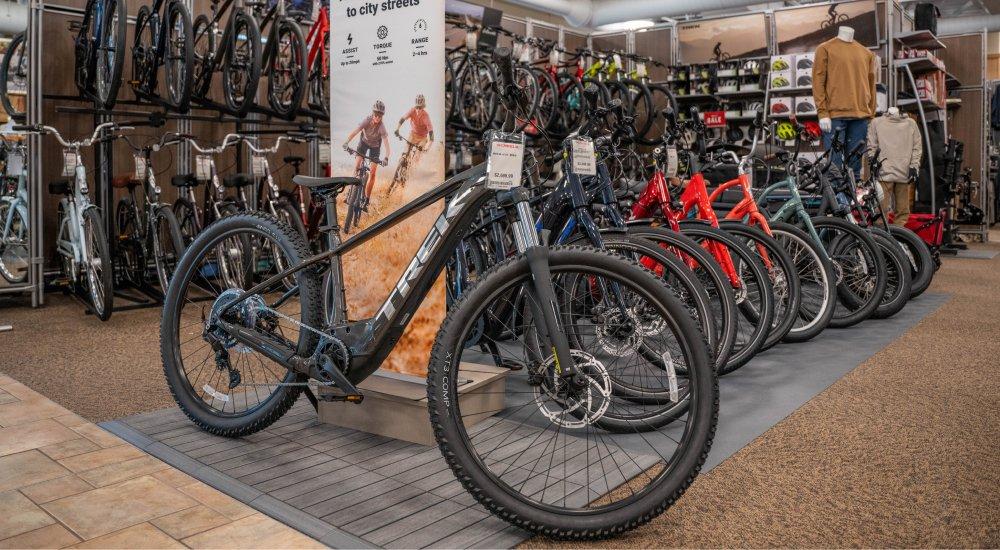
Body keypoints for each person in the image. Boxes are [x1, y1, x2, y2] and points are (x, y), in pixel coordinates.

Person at [344, 100, 391, 211]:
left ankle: (367, 200)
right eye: (376, 115)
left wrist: (386, 158)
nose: (377, 118)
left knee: (373, 173)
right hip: (363, 143)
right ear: (373, 113)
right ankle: (350, 191)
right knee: (357, 166)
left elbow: (387, 145)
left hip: (375, 147)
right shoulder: (367, 120)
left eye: (380, 116)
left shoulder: (382, 127)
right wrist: (346, 142)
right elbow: (355, 132)